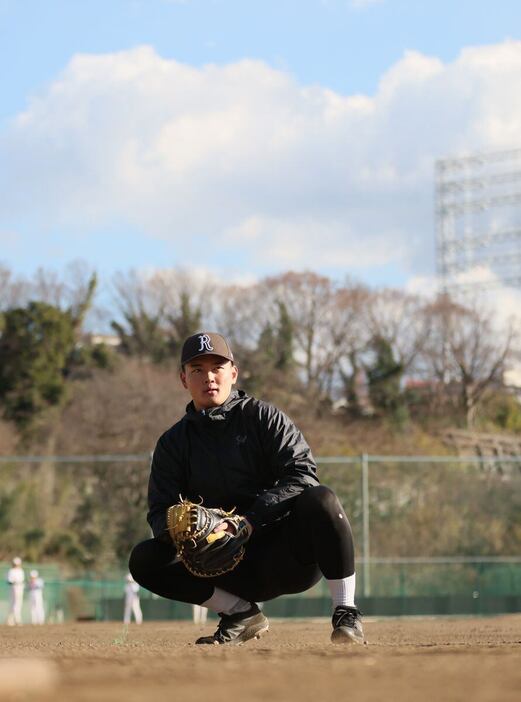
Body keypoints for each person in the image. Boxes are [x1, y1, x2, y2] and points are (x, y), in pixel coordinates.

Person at [129, 332, 364, 646]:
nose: (208, 377)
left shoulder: (264, 418)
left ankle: (345, 611)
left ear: (233, 373)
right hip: (221, 569)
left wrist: (248, 521)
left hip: (285, 558)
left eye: (217, 367)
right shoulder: (172, 444)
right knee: (144, 559)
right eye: (197, 369)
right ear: (184, 378)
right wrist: (185, 533)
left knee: (322, 499)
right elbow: (159, 512)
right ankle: (240, 614)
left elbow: (302, 474)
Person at [6, 556, 25, 626]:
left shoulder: (21, 571)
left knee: (17, 604)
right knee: (15, 604)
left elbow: (22, 581)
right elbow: (9, 581)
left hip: (20, 588)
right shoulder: (11, 571)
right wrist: (15, 583)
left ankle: (12, 620)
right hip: (14, 588)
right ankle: (16, 620)